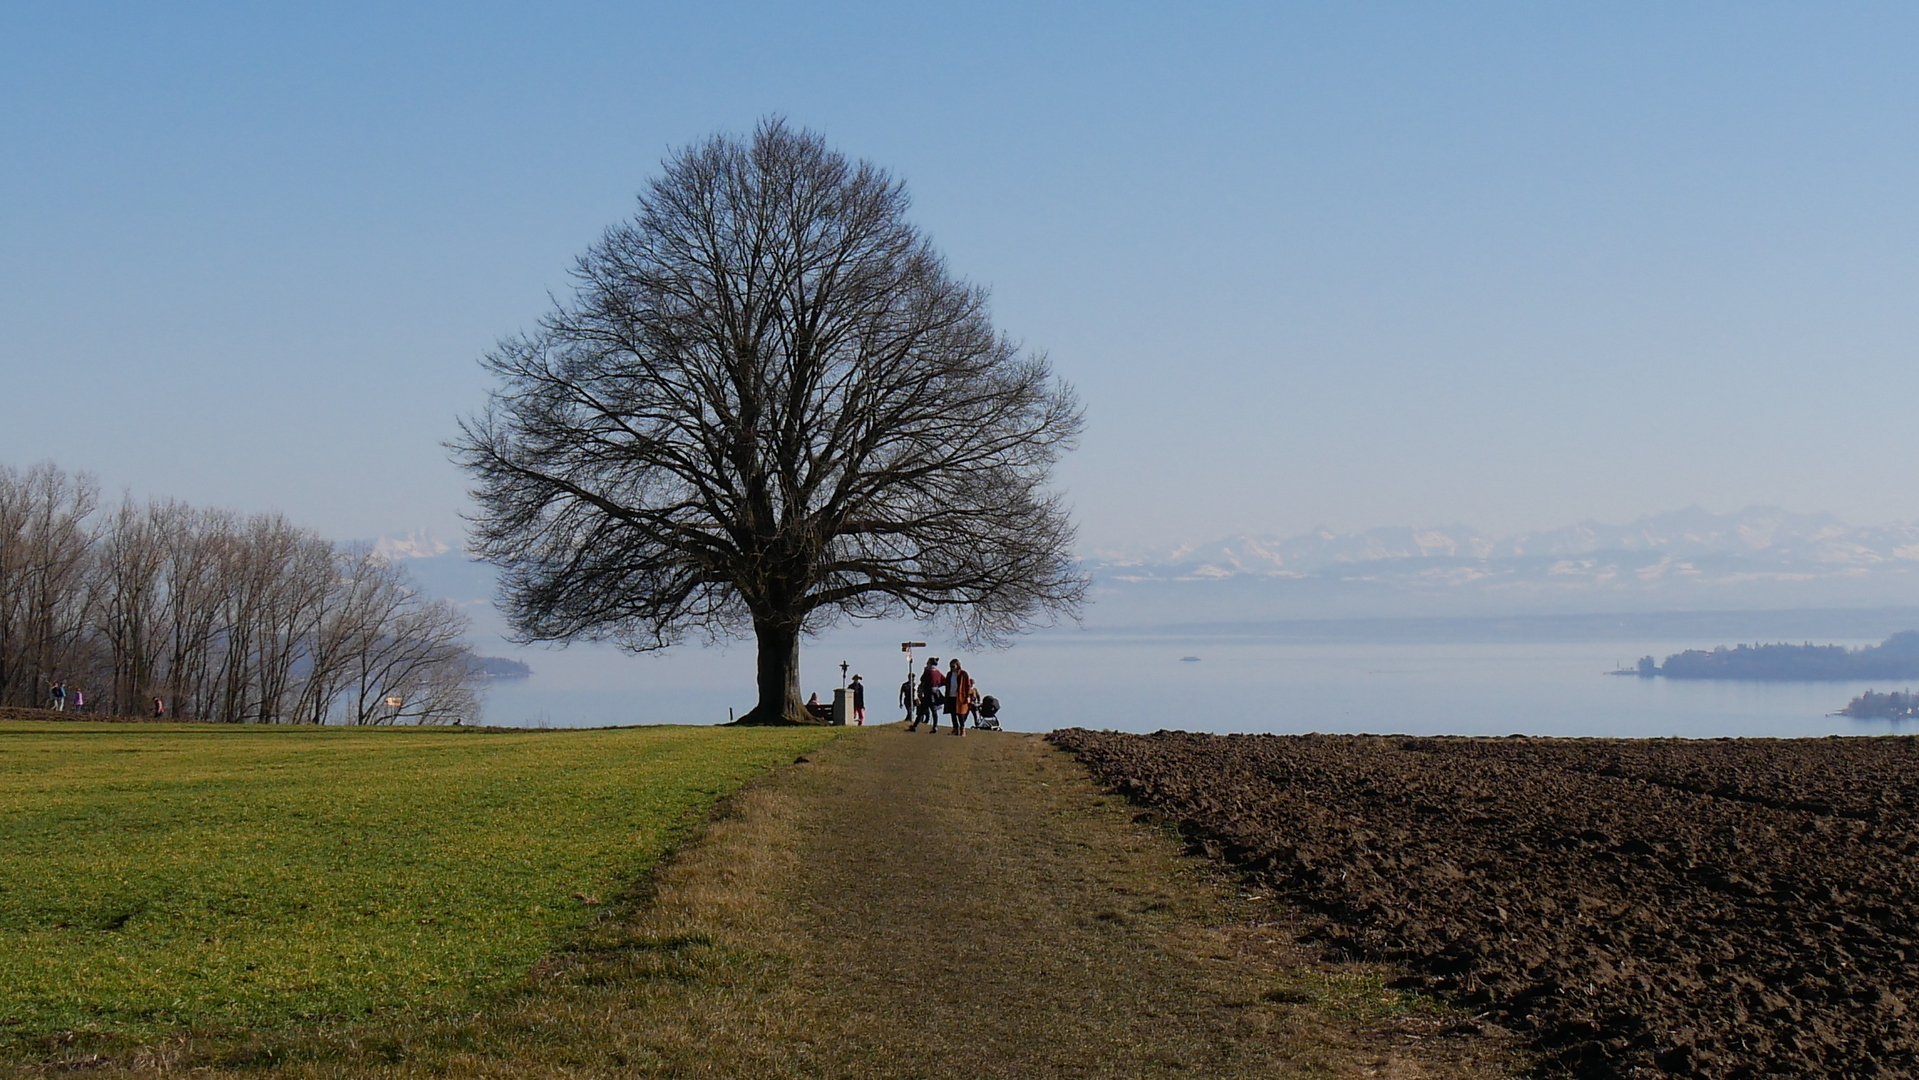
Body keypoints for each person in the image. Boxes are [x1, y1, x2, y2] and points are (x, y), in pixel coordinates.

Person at [911, 658, 944, 731]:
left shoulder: (928, 672)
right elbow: (944, 681)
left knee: (922, 711)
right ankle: (935, 726)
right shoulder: (938, 672)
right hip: (935, 693)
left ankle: (915, 726)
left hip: (928, 693)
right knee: (934, 711)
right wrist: (937, 685)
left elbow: (922, 679)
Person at [945, 659, 973, 736]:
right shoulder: (949, 674)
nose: (952, 668)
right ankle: (955, 729)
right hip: (951, 696)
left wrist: (968, 696)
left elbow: (968, 686)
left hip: (960, 696)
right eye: (950, 666)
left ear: (957, 665)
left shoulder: (963, 674)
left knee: (960, 714)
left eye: (953, 666)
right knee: (952, 713)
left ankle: (962, 729)